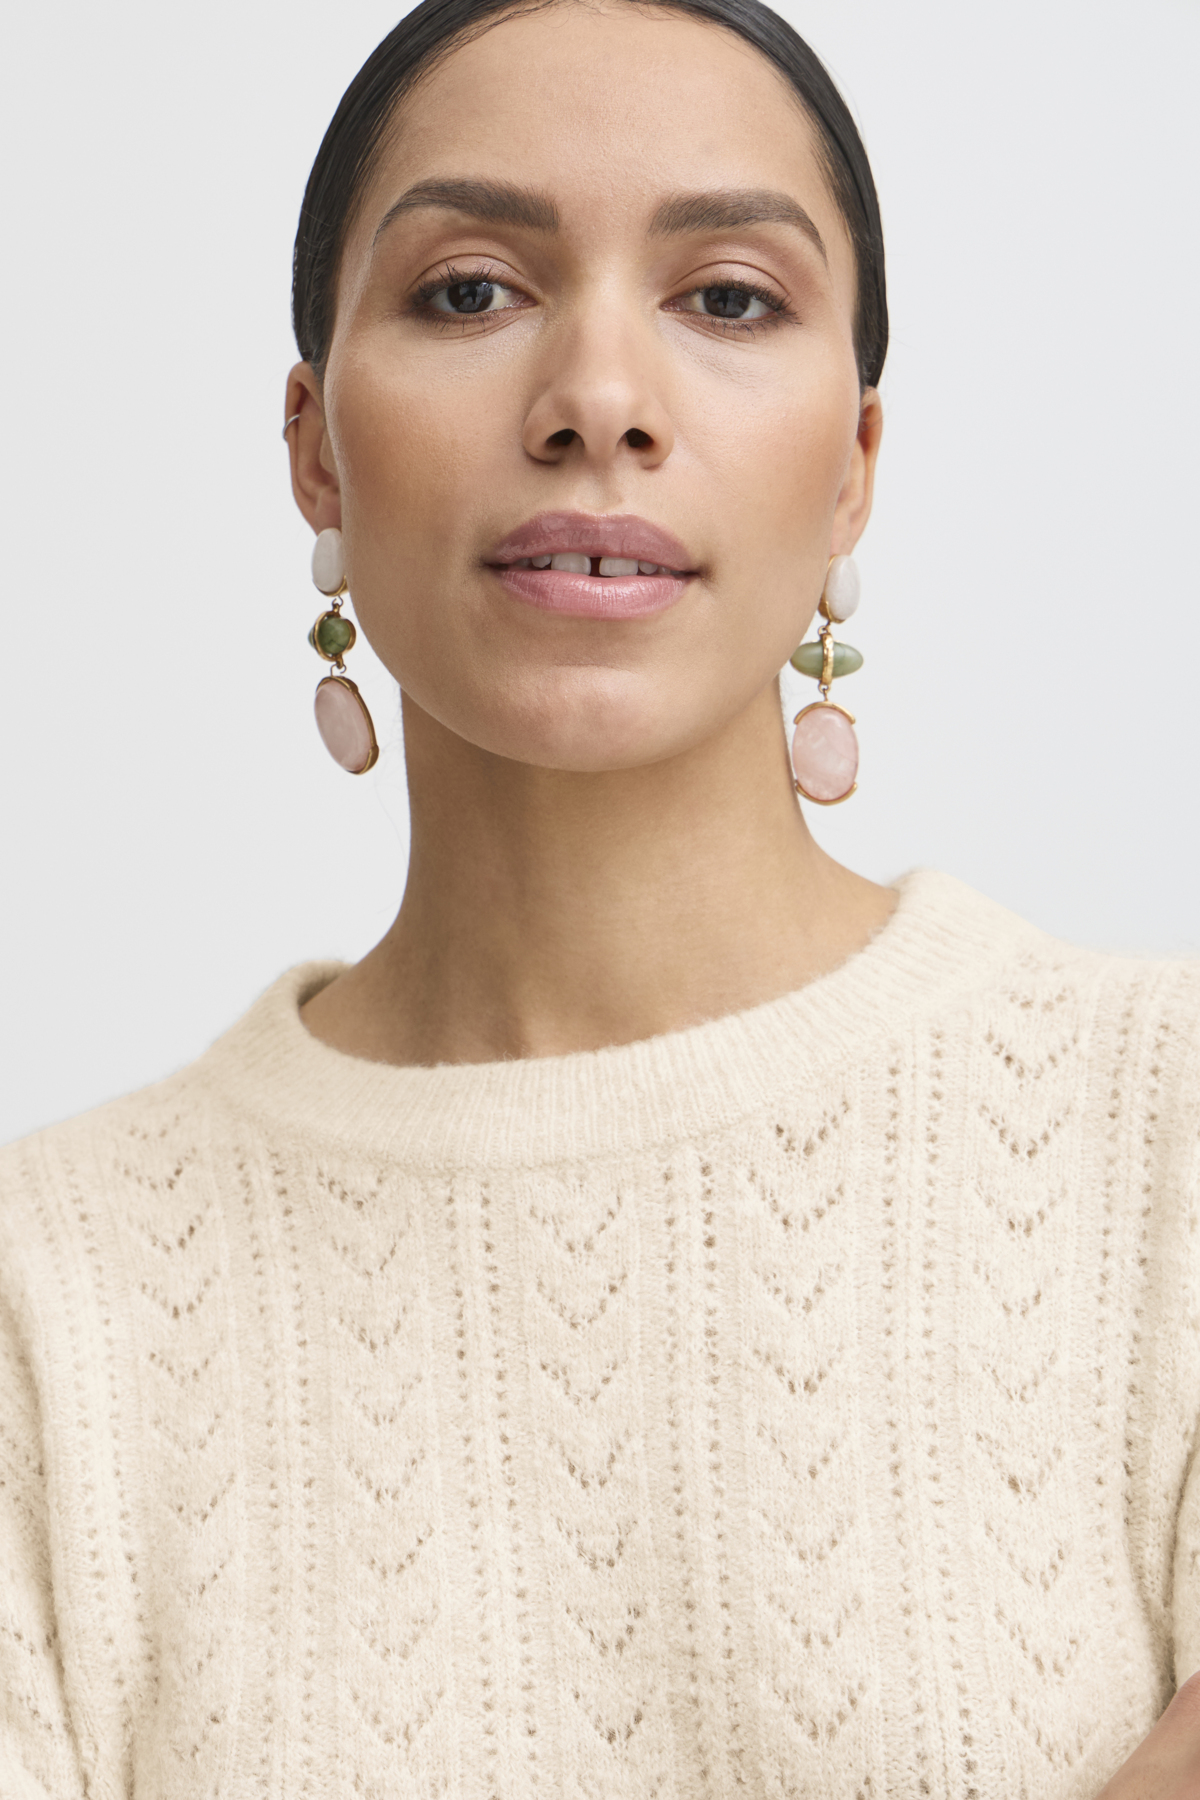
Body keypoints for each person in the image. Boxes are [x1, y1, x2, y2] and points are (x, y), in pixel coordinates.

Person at [2, 0, 1198, 1793]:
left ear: (855, 464)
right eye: (472, 290)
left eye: (729, 299)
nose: (601, 404)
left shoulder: (1164, 1137)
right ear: (315, 448)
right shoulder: (49, 1296)